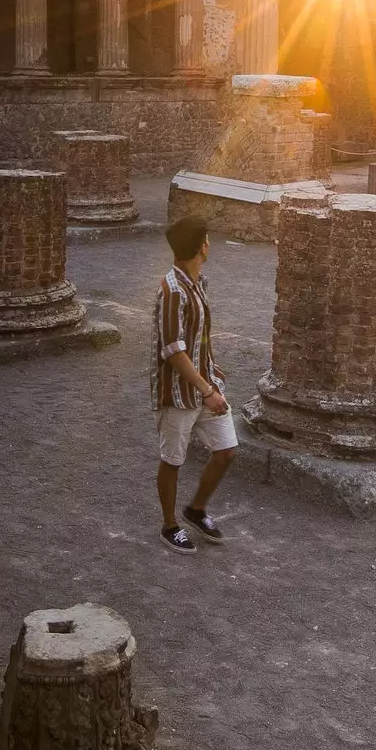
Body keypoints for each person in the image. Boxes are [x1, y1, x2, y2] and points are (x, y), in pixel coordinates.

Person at [151, 214, 237, 554]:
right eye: (207, 240)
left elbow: (198, 337)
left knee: (226, 450)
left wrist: (212, 369)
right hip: (177, 392)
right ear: (201, 246)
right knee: (172, 459)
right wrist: (208, 391)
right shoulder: (172, 290)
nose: (209, 244)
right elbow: (173, 350)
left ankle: (196, 509)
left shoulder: (198, 283)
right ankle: (170, 525)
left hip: (205, 383)